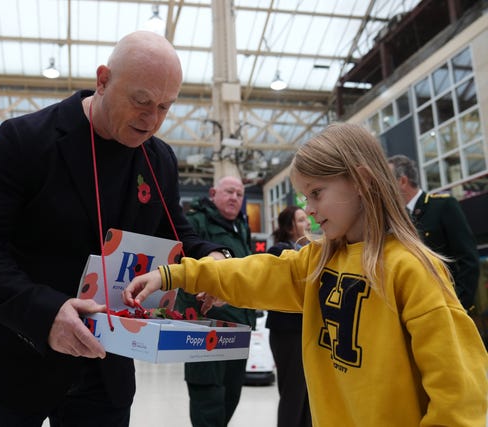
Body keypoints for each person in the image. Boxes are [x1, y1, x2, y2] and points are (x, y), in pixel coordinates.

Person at [0, 30, 229, 427]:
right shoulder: (26, 140)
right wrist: (46, 313)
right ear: (102, 80)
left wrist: (215, 259)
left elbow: (176, 233)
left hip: (105, 371)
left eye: (165, 106)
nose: (152, 121)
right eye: (141, 101)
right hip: (16, 359)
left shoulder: (159, 159)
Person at [124, 123, 488, 426]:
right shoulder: (317, 262)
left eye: (316, 193)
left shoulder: (413, 270)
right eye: (304, 199)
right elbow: (253, 272)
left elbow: (459, 393)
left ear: (361, 180)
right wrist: (174, 275)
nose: (310, 210)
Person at [175, 175, 256, 427]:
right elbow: (181, 265)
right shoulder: (195, 222)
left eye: (239, 194)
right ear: (213, 193)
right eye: (229, 191)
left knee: (231, 396)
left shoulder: (241, 226)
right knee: (207, 399)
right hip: (206, 329)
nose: (235, 198)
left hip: (239, 330)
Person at [387, 154, 480, 313]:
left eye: (387, 181)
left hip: (448, 308)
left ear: (402, 181)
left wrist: (457, 306)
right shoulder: (396, 220)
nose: (384, 187)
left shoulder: (442, 206)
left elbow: (468, 260)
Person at [266, 205, 312, 427]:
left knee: (309, 396)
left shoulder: (311, 249)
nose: (308, 223)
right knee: (293, 394)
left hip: (307, 330)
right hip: (287, 332)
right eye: (302, 220)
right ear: (289, 226)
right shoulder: (278, 252)